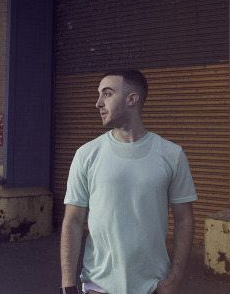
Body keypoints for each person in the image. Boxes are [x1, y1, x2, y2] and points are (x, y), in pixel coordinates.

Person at [60, 69, 197, 294]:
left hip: (153, 287)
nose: (98, 103)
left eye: (107, 94)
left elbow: (184, 219)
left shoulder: (172, 154)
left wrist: (176, 277)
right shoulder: (86, 154)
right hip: (98, 287)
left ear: (131, 99)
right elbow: (72, 221)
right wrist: (67, 286)